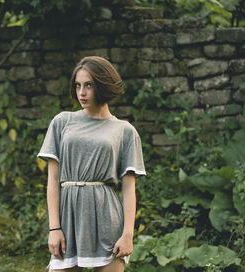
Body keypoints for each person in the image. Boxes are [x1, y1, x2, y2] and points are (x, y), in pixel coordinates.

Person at [37, 56, 146, 272]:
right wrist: (54, 228)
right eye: (78, 85)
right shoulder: (62, 122)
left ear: (103, 86)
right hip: (68, 220)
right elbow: (54, 179)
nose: (81, 92)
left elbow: (128, 187)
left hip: (108, 219)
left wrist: (127, 234)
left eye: (89, 85)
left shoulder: (125, 130)